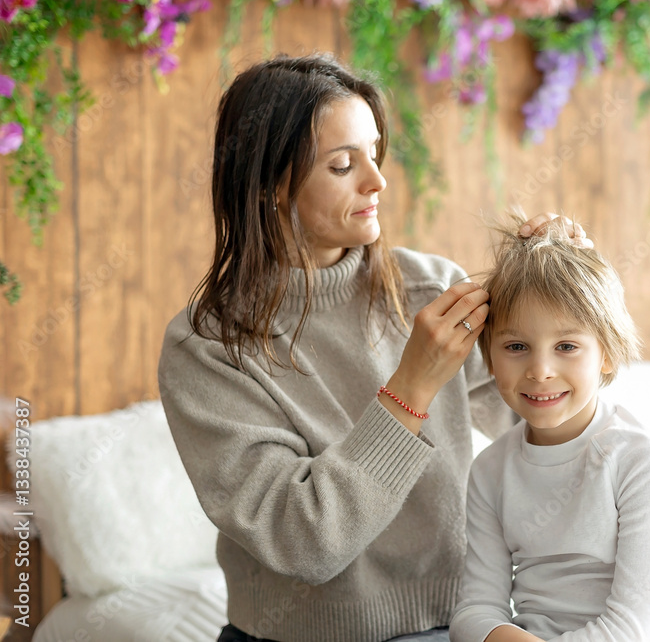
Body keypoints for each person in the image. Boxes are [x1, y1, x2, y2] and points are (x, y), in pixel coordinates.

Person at [156, 53, 590, 642]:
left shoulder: (431, 289)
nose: (377, 181)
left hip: (460, 623)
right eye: (342, 164)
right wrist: (413, 386)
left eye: (374, 153)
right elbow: (303, 541)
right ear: (267, 187)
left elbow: (558, 430)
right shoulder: (208, 347)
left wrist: (566, 292)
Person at [449, 218, 650, 642]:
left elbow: (632, 628)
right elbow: (475, 612)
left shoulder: (638, 461)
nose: (540, 371)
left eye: (566, 346)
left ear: (607, 353)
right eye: (516, 346)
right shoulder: (490, 470)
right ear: (490, 359)